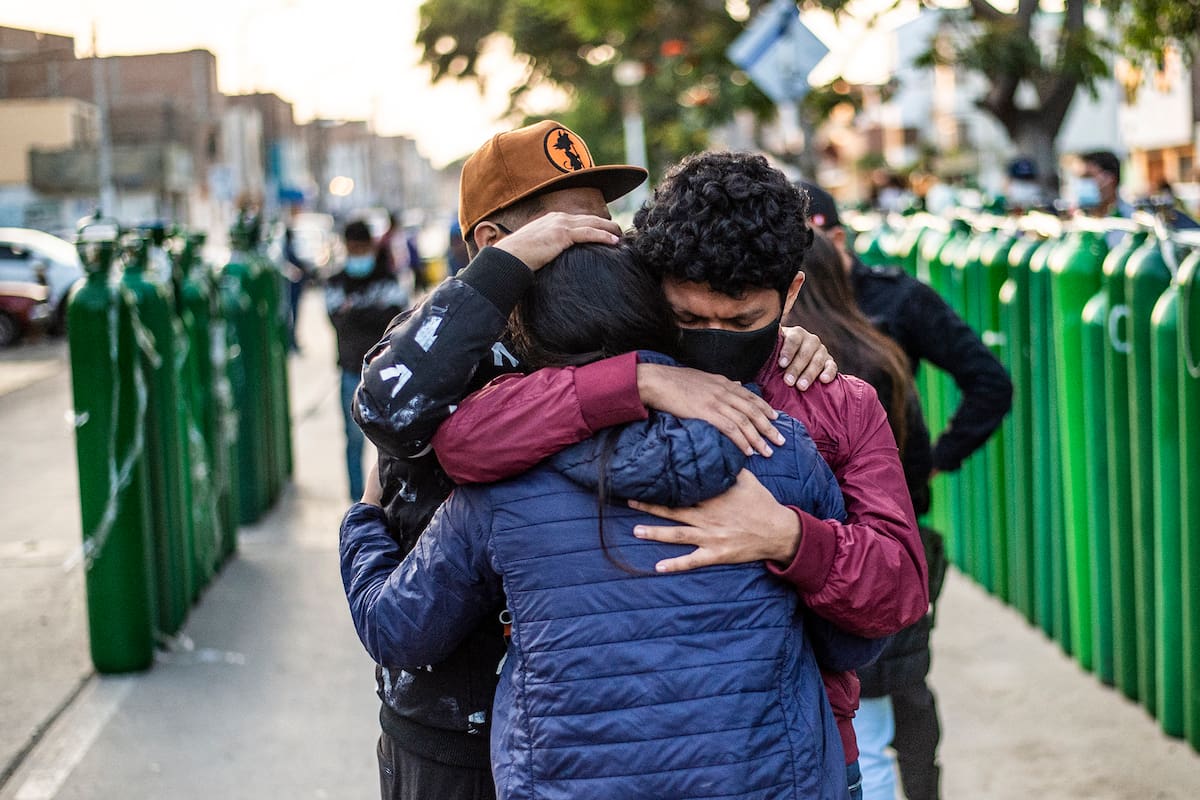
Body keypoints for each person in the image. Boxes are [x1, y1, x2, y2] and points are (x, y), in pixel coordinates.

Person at [348, 120, 840, 800]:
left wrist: (785, 340)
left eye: (605, 223)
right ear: (497, 246)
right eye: (566, 229)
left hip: (574, 736)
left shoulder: (625, 318)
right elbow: (388, 408)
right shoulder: (445, 336)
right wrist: (620, 378)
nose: (605, 240)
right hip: (452, 726)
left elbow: (721, 323)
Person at [428, 151, 931, 799]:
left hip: (798, 759)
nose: (715, 339)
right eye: (690, 320)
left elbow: (899, 589)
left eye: (743, 321)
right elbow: (465, 440)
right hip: (614, 763)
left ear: (792, 294)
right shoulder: (600, 365)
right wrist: (631, 380)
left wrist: (790, 539)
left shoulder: (835, 402)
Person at [799, 181, 1013, 800]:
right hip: (823, 540)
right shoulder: (771, 330)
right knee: (867, 710)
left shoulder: (892, 307)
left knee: (896, 697)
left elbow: (988, 382)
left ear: (837, 239)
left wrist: (934, 462)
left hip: (887, 529)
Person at [326, 220, 409, 501]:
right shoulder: (336, 280)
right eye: (354, 248)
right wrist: (373, 312)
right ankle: (357, 501)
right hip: (351, 370)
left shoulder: (387, 277)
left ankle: (389, 498)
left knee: (388, 441)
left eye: (363, 248)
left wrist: (356, 312)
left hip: (385, 372)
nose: (359, 253)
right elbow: (338, 321)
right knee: (352, 439)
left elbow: (397, 317)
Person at [282, 202, 317, 352]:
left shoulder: (291, 247)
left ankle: (293, 341)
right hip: (291, 287)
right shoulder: (287, 249)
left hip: (295, 286)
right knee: (291, 314)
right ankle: (291, 342)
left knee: (294, 314)